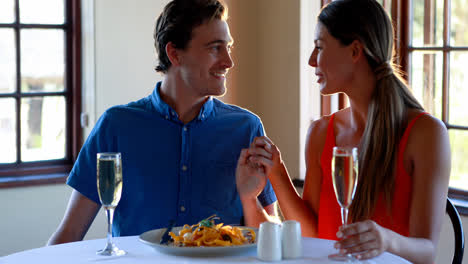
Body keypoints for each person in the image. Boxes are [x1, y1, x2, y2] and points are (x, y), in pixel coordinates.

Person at [236, 0, 451, 263]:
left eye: (319, 47)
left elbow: (427, 252)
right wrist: (277, 173)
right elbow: (313, 234)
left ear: (355, 50)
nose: (311, 59)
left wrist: (386, 240)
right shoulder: (320, 133)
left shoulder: (426, 134)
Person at [48, 0, 278, 245]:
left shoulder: (246, 128)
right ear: (174, 53)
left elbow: (272, 236)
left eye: (228, 47)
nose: (228, 61)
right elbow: (70, 233)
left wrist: (249, 199)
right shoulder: (116, 127)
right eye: (215, 48)